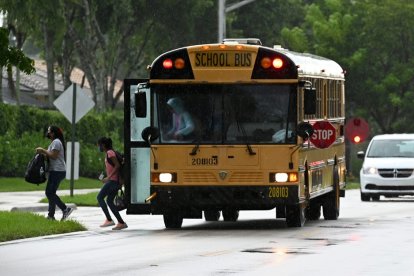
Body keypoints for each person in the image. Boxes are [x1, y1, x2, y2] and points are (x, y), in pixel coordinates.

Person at [36, 125, 73, 221]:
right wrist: (42, 155)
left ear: (53, 133)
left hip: (57, 171)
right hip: (55, 171)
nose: (48, 133)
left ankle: (65, 209)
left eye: (49, 131)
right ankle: (51, 216)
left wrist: (43, 150)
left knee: (49, 192)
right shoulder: (54, 142)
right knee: (51, 193)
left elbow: (54, 156)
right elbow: (50, 156)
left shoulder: (56, 142)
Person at [97, 137, 127, 230]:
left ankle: (109, 220)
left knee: (99, 197)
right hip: (115, 181)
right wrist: (105, 177)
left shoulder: (110, 153)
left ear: (104, 145)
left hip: (113, 181)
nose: (99, 147)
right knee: (109, 201)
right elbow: (113, 167)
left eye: (99, 145)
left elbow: (117, 165)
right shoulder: (110, 153)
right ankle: (121, 223)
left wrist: (108, 178)